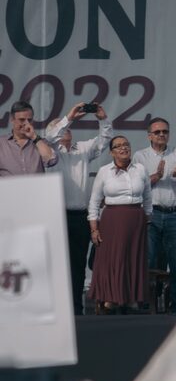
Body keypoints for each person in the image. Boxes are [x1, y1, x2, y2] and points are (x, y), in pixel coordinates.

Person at [45, 102, 112, 315]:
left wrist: (102, 118)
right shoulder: (49, 151)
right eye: (64, 128)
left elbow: (105, 141)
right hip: (57, 216)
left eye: (69, 129)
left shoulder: (82, 149)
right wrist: (70, 116)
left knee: (77, 265)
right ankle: (56, 309)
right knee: (55, 264)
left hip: (80, 216)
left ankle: (75, 308)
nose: (67, 131)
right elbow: (50, 138)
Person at [132, 117, 176, 314]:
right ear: (149, 135)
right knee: (148, 262)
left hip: (174, 214)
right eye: (157, 132)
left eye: (165, 131)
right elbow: (135, 187)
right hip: (151, 214)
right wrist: (157, 176)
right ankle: (145, 305)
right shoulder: (140, 157)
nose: (161, 135)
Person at [88, 135, 152, 313]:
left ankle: (131, 298)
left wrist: (147, 217)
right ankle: (110, 298)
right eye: (118, 146)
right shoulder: (104, 171)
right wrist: (94, 228)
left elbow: (147, 196)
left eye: (126, 144)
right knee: (113, 259)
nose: (123, 148)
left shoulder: (140, 169)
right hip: (112, 219)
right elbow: (94, 201)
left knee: (133, 259)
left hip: (136, 218)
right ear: (111, 152)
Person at [0, 100, 57, 176]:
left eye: (29, 120)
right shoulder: (2, 143)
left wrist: (34, 137)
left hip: (36, 187)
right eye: (22, 120)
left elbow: (52, 161)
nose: (27, 123)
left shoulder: (40, 142)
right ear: (12, 119)